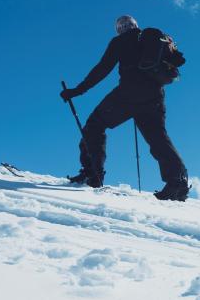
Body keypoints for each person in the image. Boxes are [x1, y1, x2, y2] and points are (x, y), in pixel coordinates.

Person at [60, 15, 189, 201]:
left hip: (128, 94)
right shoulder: (150, 40)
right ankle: (177, 182)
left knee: (94, 125)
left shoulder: (120, 41)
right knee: (158, 138)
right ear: (136, 26)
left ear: (120, 29)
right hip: (154, 96)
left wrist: (77, 91)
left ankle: (92, 173)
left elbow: (102, 69)